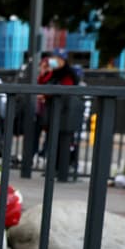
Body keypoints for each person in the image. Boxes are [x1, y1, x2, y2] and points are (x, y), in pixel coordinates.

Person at [38, 51, 84, 180]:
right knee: (53, 143)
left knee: (63, 143)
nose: (53, 61)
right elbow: (42, 84)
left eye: (56, 59)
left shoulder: (68, 75)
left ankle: (63, 170)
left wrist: (47, 94)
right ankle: (54, 169)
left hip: (65, 114)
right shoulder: (54, 73)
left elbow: (64, 91)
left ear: (63, 61)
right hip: (55, 113)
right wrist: (44, 72)